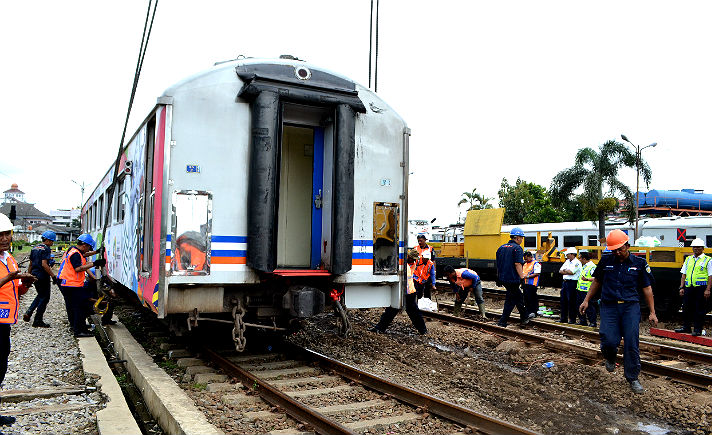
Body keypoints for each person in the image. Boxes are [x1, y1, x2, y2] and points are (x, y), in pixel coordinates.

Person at [579, 229, 658, 394]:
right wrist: (586, 300)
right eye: (614, 249)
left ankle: (633, 378)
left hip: (630, 306)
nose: (617, 252)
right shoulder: (606, 261)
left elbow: (647, 288)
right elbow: (597, 282)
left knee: (631, 342)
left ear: (627, 246)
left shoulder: (639, 263)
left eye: (620, 249)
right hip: (609, 306)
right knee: (608, 339)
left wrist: (652, 312)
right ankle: (610, 356)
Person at [0, 213, 36, 427]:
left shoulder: (8, 258)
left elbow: (14, 290)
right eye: (0, 235)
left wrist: (25, 284)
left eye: (7, 234)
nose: (4, 238)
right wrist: (12, 277)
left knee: (1, 368)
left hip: (5, 322)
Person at [57, 234, 105, 337]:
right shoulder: (76, 254)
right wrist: (94, 263)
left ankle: (76, 327)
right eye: (88, 248)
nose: (88, 250)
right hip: (71, 284)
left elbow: (84, 255)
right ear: (84, 245)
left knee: (73, 306)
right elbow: (78, 268)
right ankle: (79, 331)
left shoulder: (74, 250)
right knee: (79, 307)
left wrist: (96, 252)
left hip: (68, 283)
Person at [370, 249, 427, 335]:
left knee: (396, 310)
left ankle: (380, 328)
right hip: (408, 291)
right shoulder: (407, 264)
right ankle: (423, 330)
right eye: (412, 258)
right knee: (399, 311)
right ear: (408, 256)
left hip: (407, 292)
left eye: (414, 259)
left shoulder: (405, 265)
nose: (414, 260)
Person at [495, 227, 533, 327]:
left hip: (503, 278)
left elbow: (498, 264)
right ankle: (502, 321)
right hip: (512, 278)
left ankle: (524, 317)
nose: (522, 240)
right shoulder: (517, 248)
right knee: (511, 299)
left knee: (518, 297)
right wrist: (522, 276)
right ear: (517, 238)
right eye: (521, 238)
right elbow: (517, 264)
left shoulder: (501, 248)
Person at [675, 238, 711, 336]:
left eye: (698, 247)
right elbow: (683, 274)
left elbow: (710, 275)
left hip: (701, 288)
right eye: (694, 247)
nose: (696, 249)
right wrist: (681, 287)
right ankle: (686, 327)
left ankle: (697, 329)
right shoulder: (688, 259)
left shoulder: (707, 260)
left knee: (699, 309)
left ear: (703, 248)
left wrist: (708, 289)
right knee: (686, 308)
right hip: (689, 287)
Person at [23, 230, 58, 327]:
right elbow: (44, 264)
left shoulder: (34, 248)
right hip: (43, 276)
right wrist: (53, 276)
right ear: (48, 240)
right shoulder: (46, 249)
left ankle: (29, 312)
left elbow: (30, 264)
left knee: (40, 295)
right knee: (45, 297)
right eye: (52, 241)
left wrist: (28, 276)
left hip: (34, 275)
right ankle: (38, 320)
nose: (52, 243)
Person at [559, 247, 582, 324]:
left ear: (572, 254)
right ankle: (563, 318)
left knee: (571, 301)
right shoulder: (567, 262)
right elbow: (560, 271)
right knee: (563, 300)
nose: (567, 256)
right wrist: (566, 271)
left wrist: (565, 271)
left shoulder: (577, 263)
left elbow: (572, 272)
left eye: (568, 254)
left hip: (572, 283)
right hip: (565, 282)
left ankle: (572, 319)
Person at [576, 251, 597, 327]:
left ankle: (592, 322)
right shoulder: (584, 266)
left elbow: (596, 278)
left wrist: (587, 279)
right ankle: (582, 321)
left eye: (580, 258)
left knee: (589, 307)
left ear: (584, 258)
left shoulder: (592, 266)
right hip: (580, 289)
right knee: (579, 305)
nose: (579, 260)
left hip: (587, 290)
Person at [414, 234, 436, 299]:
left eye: (421, 241)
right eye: (418, 241)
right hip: (417, 274)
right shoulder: (415, 248)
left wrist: (434, 275)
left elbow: (433, 261)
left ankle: (427, 305)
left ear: (425, 240)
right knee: (418, 292)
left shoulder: (430, 249)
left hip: (427, 274)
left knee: (427, 291)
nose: (419, 242)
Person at [522, 251, 541, 318]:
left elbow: (537, 273)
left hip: (532, 284)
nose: (525, 260)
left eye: (526, 258)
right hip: (525, 284)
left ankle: (533, 312)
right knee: (526, 298)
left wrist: (527, 276)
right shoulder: (525, 264)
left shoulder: (536, 264)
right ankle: (528, 311)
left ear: (530, 257)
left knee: (532, 298)